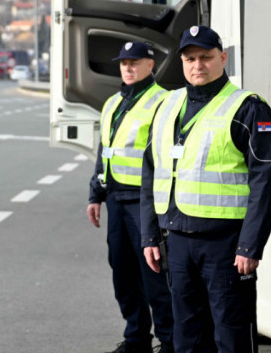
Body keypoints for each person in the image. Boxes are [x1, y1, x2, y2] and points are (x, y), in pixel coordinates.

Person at [140, 26, 271, 353]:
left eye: (206, 57)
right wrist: (149, 236)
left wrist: (251, 245)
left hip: (226, 247)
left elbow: (266, 179)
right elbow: (152, 172)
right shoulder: (167, 105)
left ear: (223, 57)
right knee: (187, 340)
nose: (197, 65)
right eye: (190, 59)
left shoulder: (247, 107)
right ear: (181, 61)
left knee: (231, 338)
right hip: (177, 243)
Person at [88, 41, 175, 353]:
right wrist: (95, 193)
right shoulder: (112, 103)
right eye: (124, 63)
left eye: (134, 62)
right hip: (115, 199)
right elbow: (105, 150)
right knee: (122, 271)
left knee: (154, 273)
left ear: (150, 65)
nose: (127, 68)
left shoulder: (163, 102)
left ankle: (170, 341)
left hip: (145, 200)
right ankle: (136, 338)